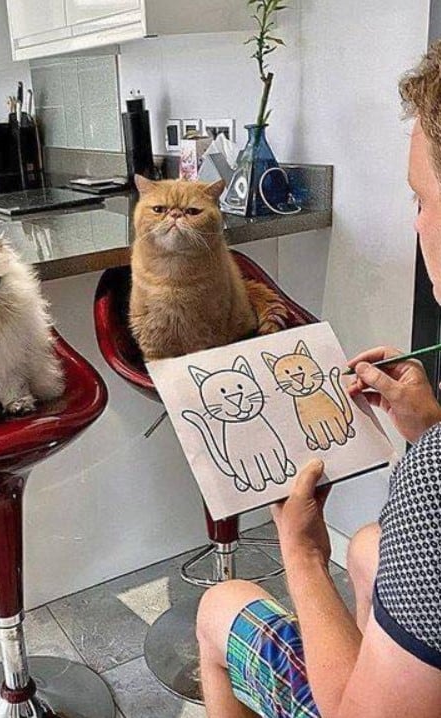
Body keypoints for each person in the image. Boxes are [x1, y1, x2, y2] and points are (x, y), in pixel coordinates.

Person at [196, 41, 441, 718]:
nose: (415, 222)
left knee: (223, 606)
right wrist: (428, 429)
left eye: (419, 198)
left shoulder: (434, 488)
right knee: (369, 548)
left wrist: (302, 553)